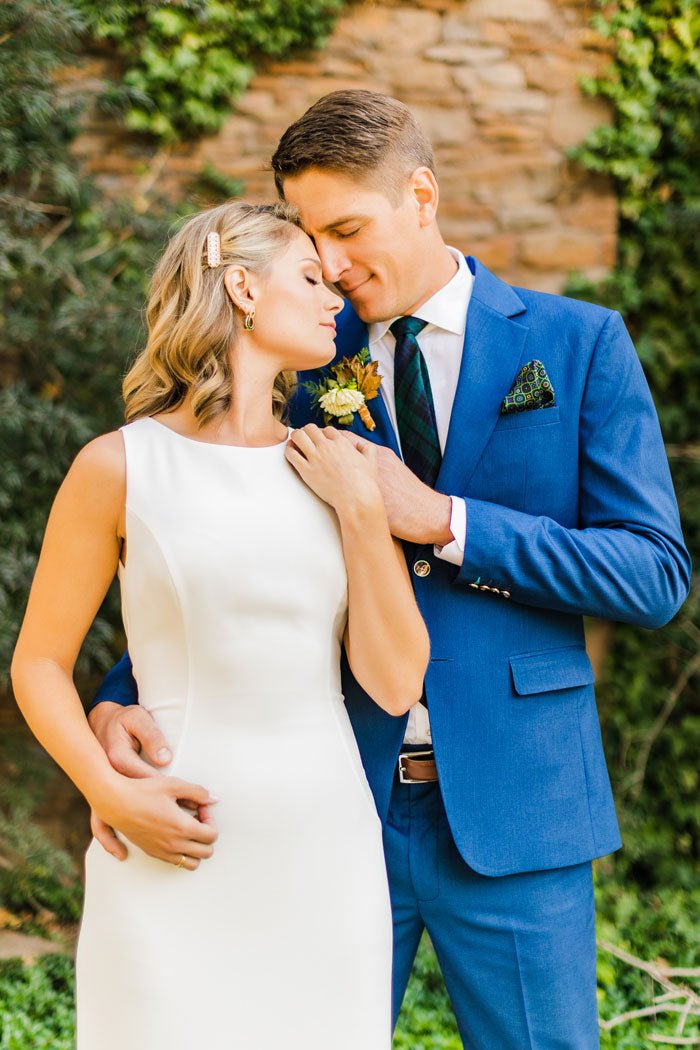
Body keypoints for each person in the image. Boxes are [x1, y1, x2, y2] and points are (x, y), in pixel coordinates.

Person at [88, 93, 691, 1048]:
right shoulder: (299, 356)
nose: (328, 263)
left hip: (518, 803)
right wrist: (124, 701)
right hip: (328, 805)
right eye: (312, 239)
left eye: (347, 229)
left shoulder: (575, 345)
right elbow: (223, 548)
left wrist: (445, 520)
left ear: (422, 194)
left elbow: (653, 574)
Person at [11, 199, 431, 1050]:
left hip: (325, 847)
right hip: (171, 841)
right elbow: (38, 664)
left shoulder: (334, 465)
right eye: (310, 277)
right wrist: (110, 791)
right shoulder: (119, 465)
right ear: (240, 286)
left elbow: (395, 682)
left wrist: (358, 508)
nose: (335, 299)